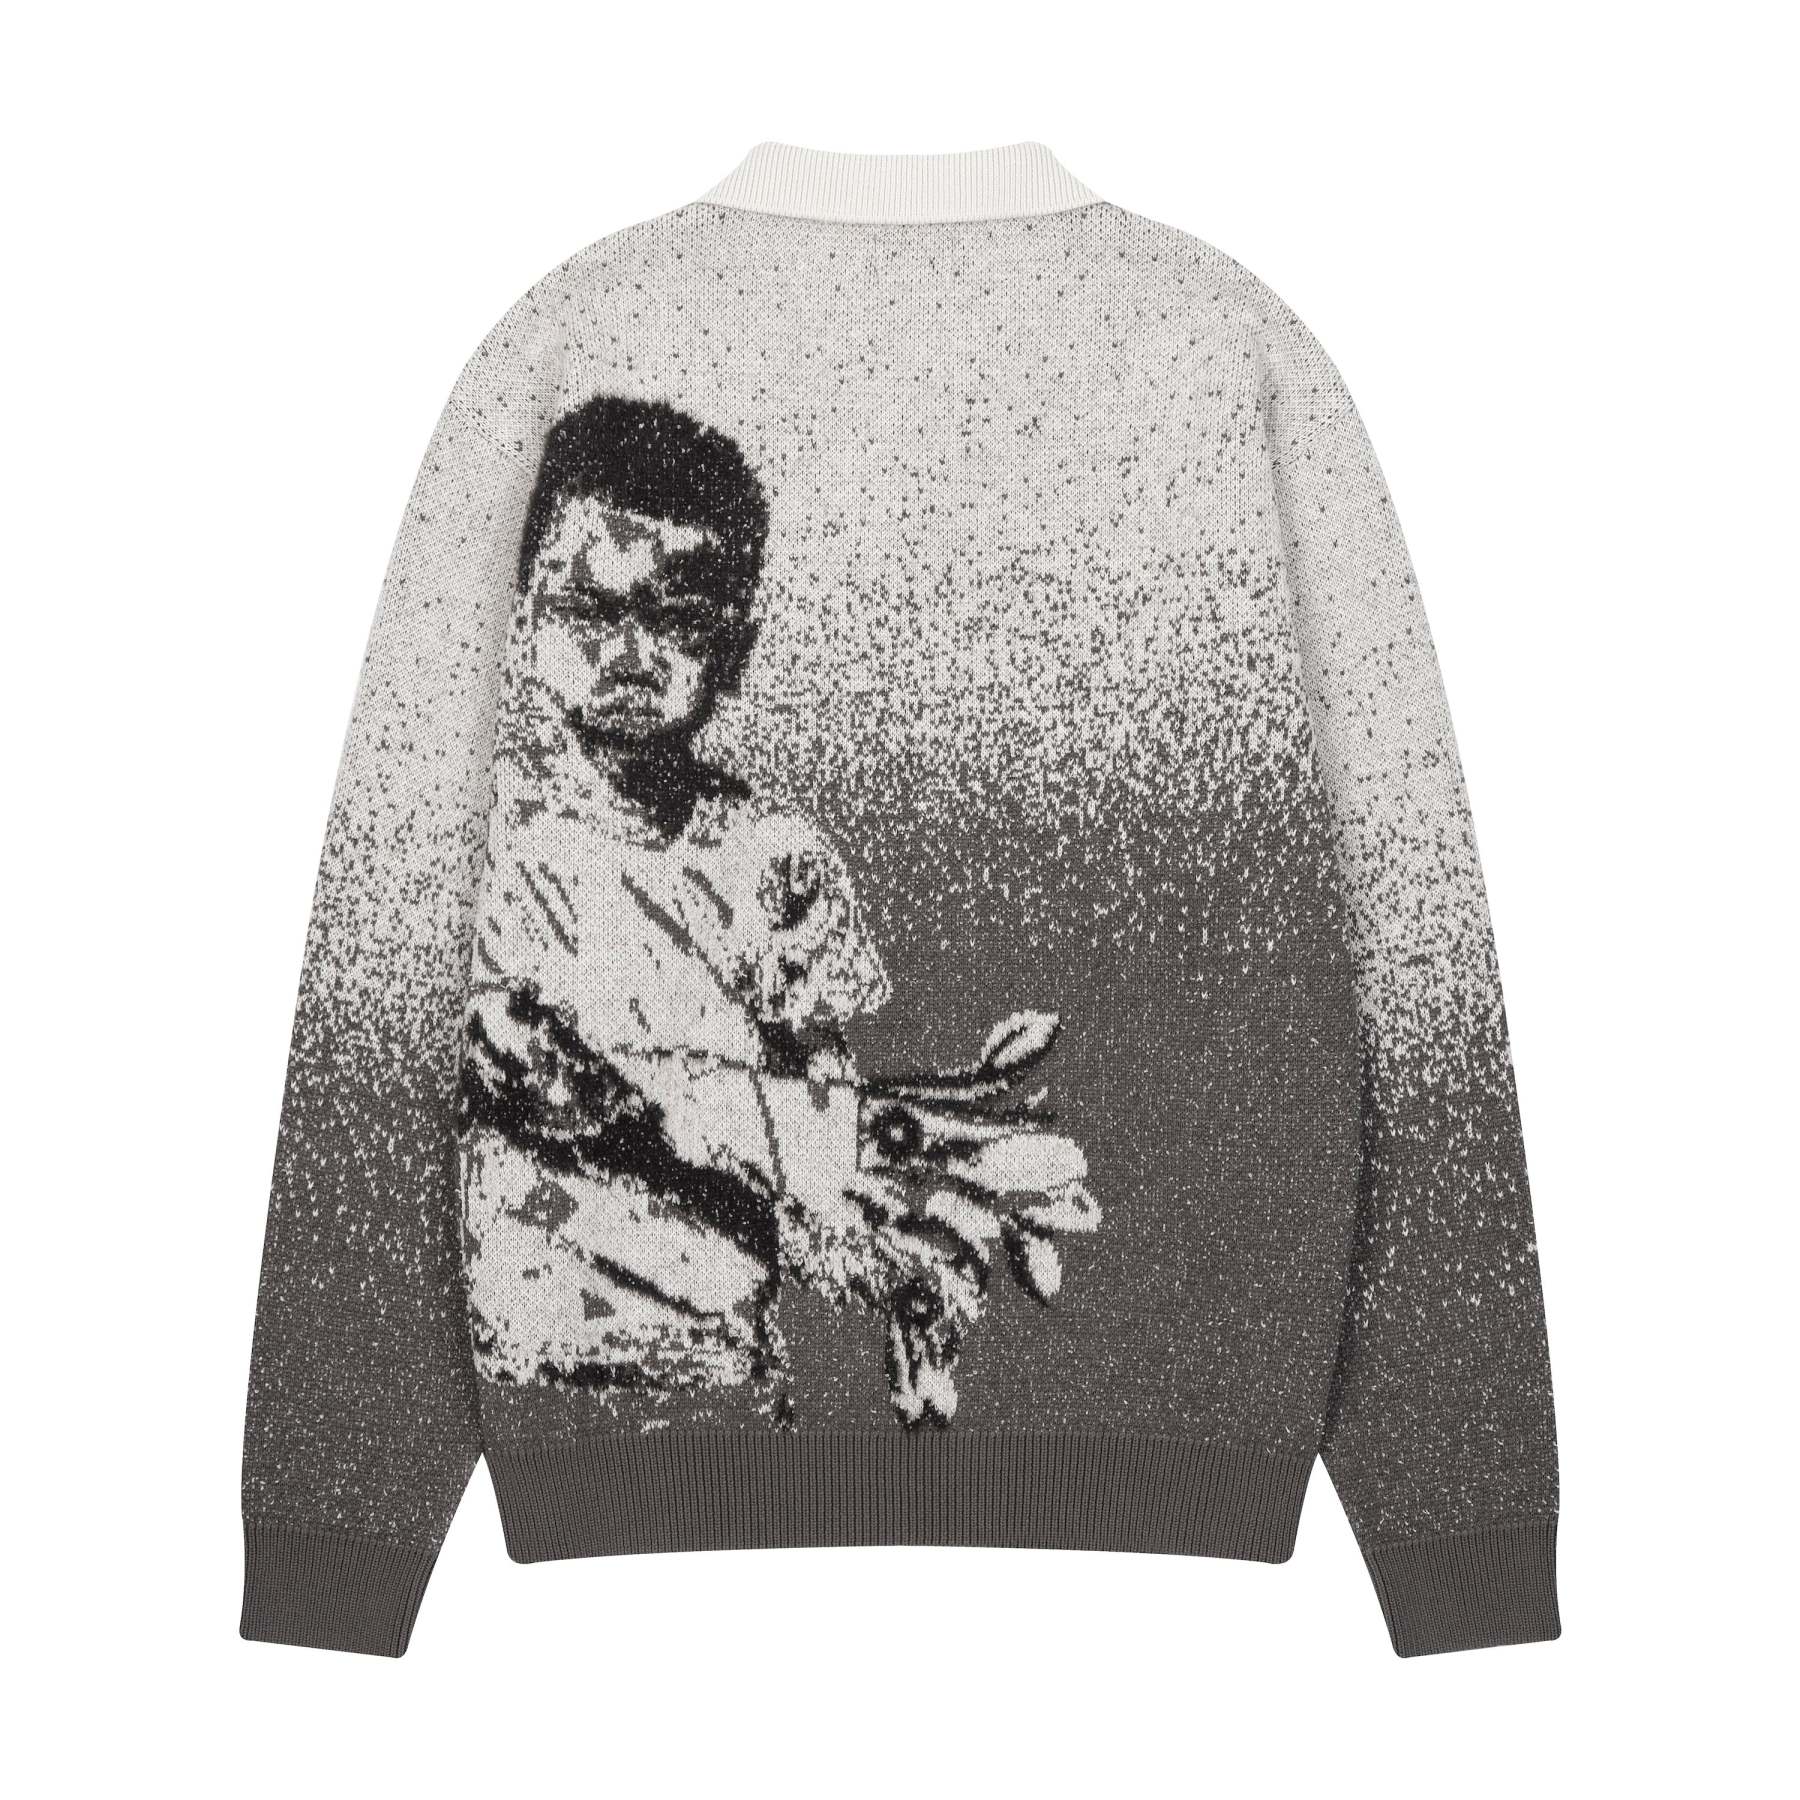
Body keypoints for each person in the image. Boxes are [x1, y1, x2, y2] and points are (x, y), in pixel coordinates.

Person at [458, 395, 1098, 1426]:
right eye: (590, 608)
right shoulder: (479, 843)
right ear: (524, 617)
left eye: (676, 619)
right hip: (519, 1352)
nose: (631, 651)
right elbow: (499, 1064)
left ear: (738, 649)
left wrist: (873, 1242)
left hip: (717, 1359)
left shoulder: (775, 862)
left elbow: (820, 1103)